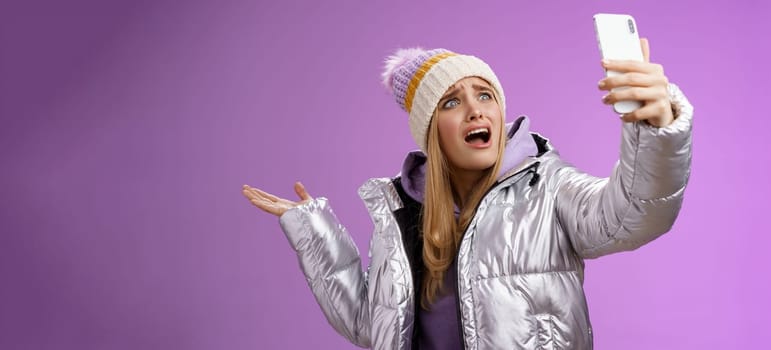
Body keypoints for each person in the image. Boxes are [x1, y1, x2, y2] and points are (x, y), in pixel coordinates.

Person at [242, 38, 693, 350]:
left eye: (486, 95)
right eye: (452, 102)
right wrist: (313, 230)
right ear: (430, 131)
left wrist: (655, 128)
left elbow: (635, 213)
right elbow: (371, 326)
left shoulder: (548, 187)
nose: (476, 108)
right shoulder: (403, 216)